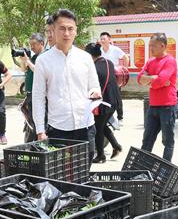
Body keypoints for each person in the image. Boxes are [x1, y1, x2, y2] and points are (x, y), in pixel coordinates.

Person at [32, 9, 101, 162]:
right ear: (53, 31)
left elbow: (94, 86)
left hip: (86, 126)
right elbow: (38, 98)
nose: (66, 33)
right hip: (58, 128)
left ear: (76, 31)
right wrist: (40, 131)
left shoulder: (85, 58)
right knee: (60, 173)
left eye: (71, 29)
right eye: (62, 28)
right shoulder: (43, 61)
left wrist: (95, 92)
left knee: (84, 170)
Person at [137, 33, 177, 161]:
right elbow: (139, 79)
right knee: (147, 139)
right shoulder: (150, 61)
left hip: (168, 106)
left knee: (167, 141)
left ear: (162, 45)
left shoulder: (170, 61)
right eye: (150, 46)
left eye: (153, 46)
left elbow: (160, 80)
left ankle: (165, 169)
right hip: (153, 106)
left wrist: (150, 81)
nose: (151, 49)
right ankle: (142, 170)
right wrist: (154, 79)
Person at [85, 42, 123, 163]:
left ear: (90, 55)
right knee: (102, 125)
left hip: (103, 103)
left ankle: (101, 155)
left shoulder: (94, 67)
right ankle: (116, 146)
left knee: (98, 128)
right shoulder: (109, 62)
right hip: (114, 100)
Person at [18, 33, 45, 142]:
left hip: (37, 94)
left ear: (41, 43)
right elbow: (24, 70)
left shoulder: (44, 56)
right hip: (30, 93)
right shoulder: (34, 57)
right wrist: (23, 60)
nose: (32, 47)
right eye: (30, 45)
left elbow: (38, 71)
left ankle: (35, 138)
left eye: (34, 44)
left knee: (35, 119)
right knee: (29, 117)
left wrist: (28, 62)